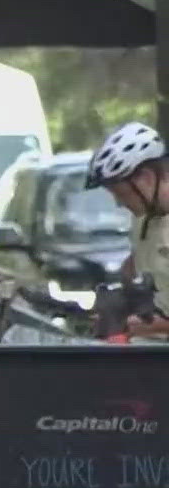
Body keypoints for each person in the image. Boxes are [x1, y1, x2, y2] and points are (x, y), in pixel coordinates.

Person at [84, 121, 169, 338]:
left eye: (122, 194)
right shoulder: (143, 220)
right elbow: (135, 271)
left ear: (147, 179)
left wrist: (158, 325)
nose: (120, 204)